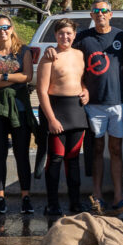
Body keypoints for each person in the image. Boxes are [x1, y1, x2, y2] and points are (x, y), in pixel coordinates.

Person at [74, 0, 123, 209]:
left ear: (111, 14)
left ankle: (118, 196)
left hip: (117, 103)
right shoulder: (82, 38)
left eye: (104, 10)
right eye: (96, 11)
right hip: (93, 104)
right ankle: (96, 195)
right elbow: (69, 58)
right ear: (91, 15)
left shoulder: (122, 37)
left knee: (116, 149)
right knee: (97, 149)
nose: (100, 14)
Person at [0, 15, 34, 215]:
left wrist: (3, 76)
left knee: (22, 154)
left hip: (20, 108)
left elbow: (27, 76)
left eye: (5, 27)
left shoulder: (24, 51)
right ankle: (0, 197)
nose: (1, 30)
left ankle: (26, 197)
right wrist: (15, 79)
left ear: (12, 28)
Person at [37, 19, 89, 215]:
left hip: (76, 110)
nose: (65, 37)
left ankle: (75, 203)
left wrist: (86, 91)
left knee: (73, 159)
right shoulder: (49, 56)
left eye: (68, 33)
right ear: (55, 35)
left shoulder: (79, 54)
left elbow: (81, 80)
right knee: (56, 158)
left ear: (74, 35)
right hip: (56, 110)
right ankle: (52, 203)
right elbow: (41, 91)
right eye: (61, 33)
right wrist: (51, 119)